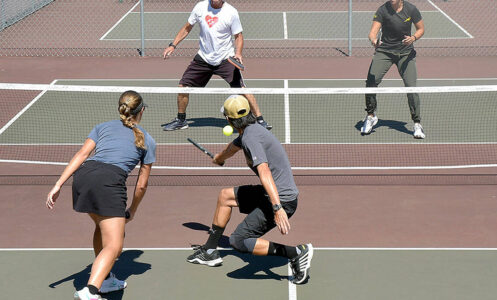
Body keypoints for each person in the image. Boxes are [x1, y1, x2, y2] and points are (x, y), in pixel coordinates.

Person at [186, 95, 313, 285]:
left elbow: (264, 171)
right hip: (271, 193)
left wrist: (277, 209)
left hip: (282, 200)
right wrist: (219, 158)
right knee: (225, 196)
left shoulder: (251, 138)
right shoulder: (250, 131)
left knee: (238, 241)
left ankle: (296, 253)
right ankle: (210, 251)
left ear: (228, 120)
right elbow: (232, 147)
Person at [46, 91, 156, 300]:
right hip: (108, 183)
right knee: (115, 245)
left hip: (83, 178)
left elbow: (82, 154)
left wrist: (58, 184)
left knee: (101, 226)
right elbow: (141, 185)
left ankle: (105, 280)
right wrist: (132, 210)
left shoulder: (103, 126)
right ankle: (91, 291)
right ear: (142, 111)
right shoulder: (148, 140)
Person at [162, 0, 271, 131]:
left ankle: (260, 120)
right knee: (183, 87)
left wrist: (238, 53)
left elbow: (238, 36)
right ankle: (181, 120)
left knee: (241, 89)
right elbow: (187, 27)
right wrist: (173, 45)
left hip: (225, 58)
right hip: (203, 58)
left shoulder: (231, 12)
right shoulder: (200, 7)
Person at [361, 0, 425, 139]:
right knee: (371, 82)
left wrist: (413, 38)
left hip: (405, 53)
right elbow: (372, 33)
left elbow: (421, 29)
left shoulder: (411, 9)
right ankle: (371, 116)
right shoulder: (383, 10)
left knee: (411, 87)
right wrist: (374, 41)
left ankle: (417, 123)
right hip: (385, 52)